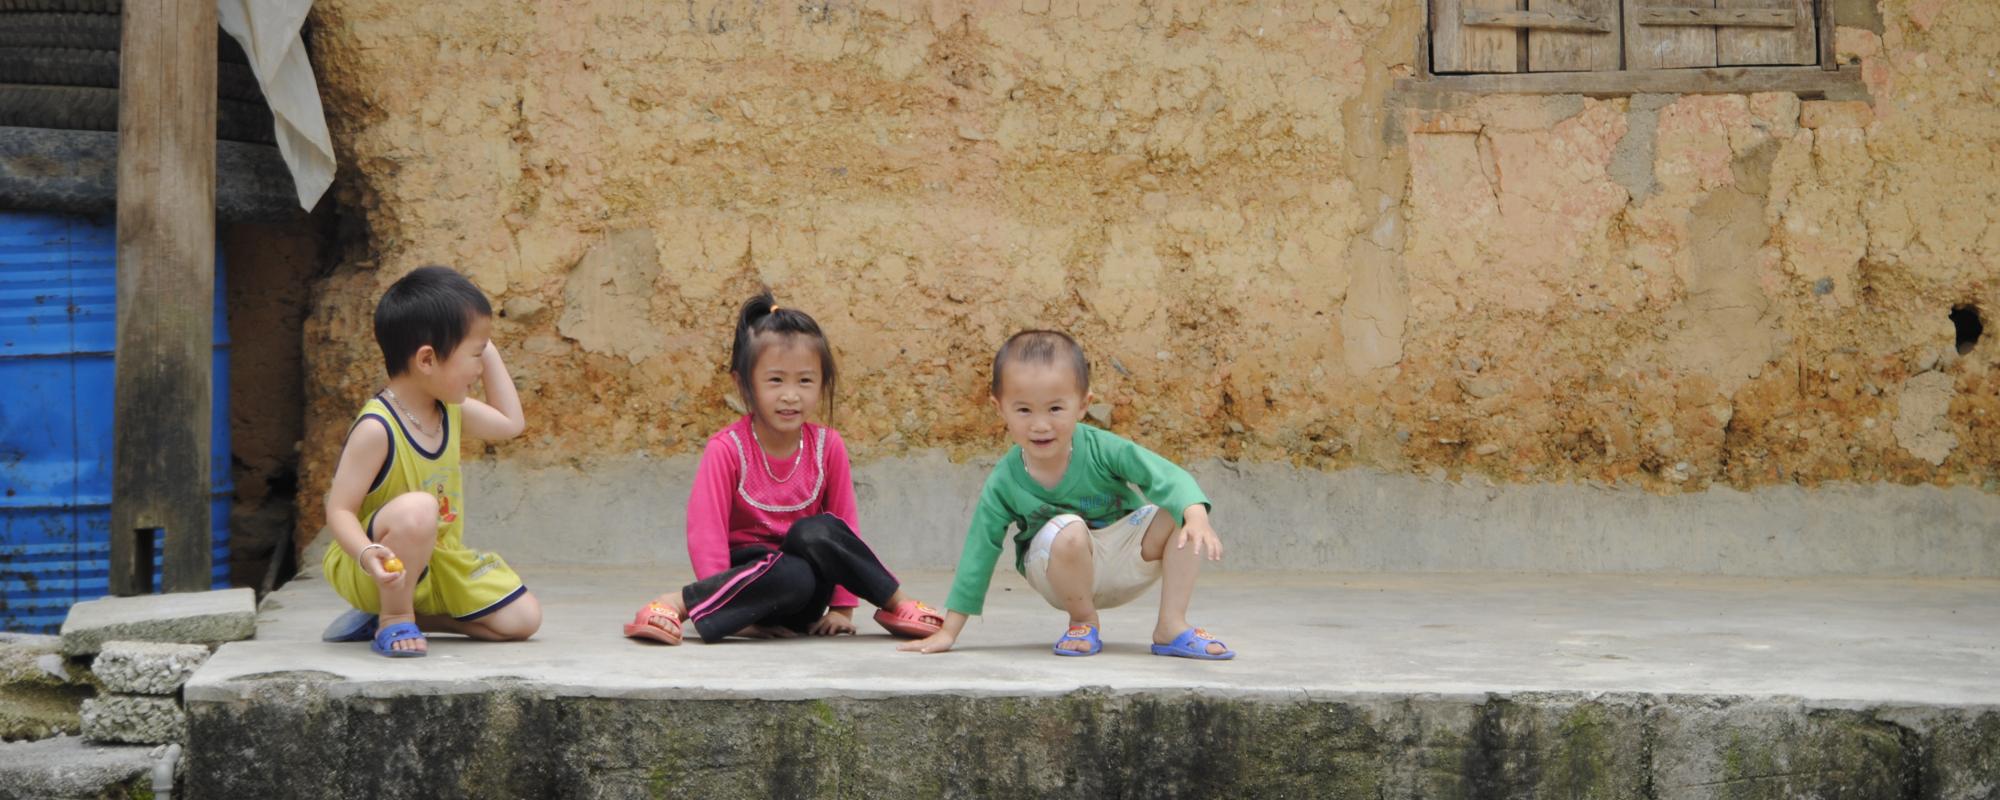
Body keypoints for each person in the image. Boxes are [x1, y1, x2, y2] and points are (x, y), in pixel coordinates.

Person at [623, 291, 942, 645]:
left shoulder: (828, 446)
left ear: (822, 384)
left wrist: (841, 610)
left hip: (805, 592)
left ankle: (895, 604)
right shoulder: (726, 449)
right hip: (746, 584)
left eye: (805, 381)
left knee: (816, 533)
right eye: (775, 381)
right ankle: (679, 602)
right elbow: (706, 533)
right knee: (792, 572)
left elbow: (845, 531)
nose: (791, 395)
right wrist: (731, 615)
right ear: (743, 383)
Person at [901, 330, 1234, 659]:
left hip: (1122, 558)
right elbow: (979, 552)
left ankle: (1172, 626)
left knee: (1183, 512)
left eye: (1055, 408)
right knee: (1070, 529)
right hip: (1056, 569)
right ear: (999, 407)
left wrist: (1195, 515)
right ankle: (1083, 621)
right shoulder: (1004, 481)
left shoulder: (1102, 448)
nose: (1041, 425)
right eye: (1024, 410)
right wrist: (949, 631)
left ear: (1082, 405)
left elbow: (1166, 477)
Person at [318, 265, 541, 657]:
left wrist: (485, 345)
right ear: (427, 360)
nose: (479, 368)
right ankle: (393, 618)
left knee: (523, 620)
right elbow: (339, 510)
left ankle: (402, 617)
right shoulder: (377, 427)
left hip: (435, 561)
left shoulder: (448, 410)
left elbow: (510, 423)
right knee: (418, 509)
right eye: (474, 356)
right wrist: (368, 555)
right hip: (373, 564)